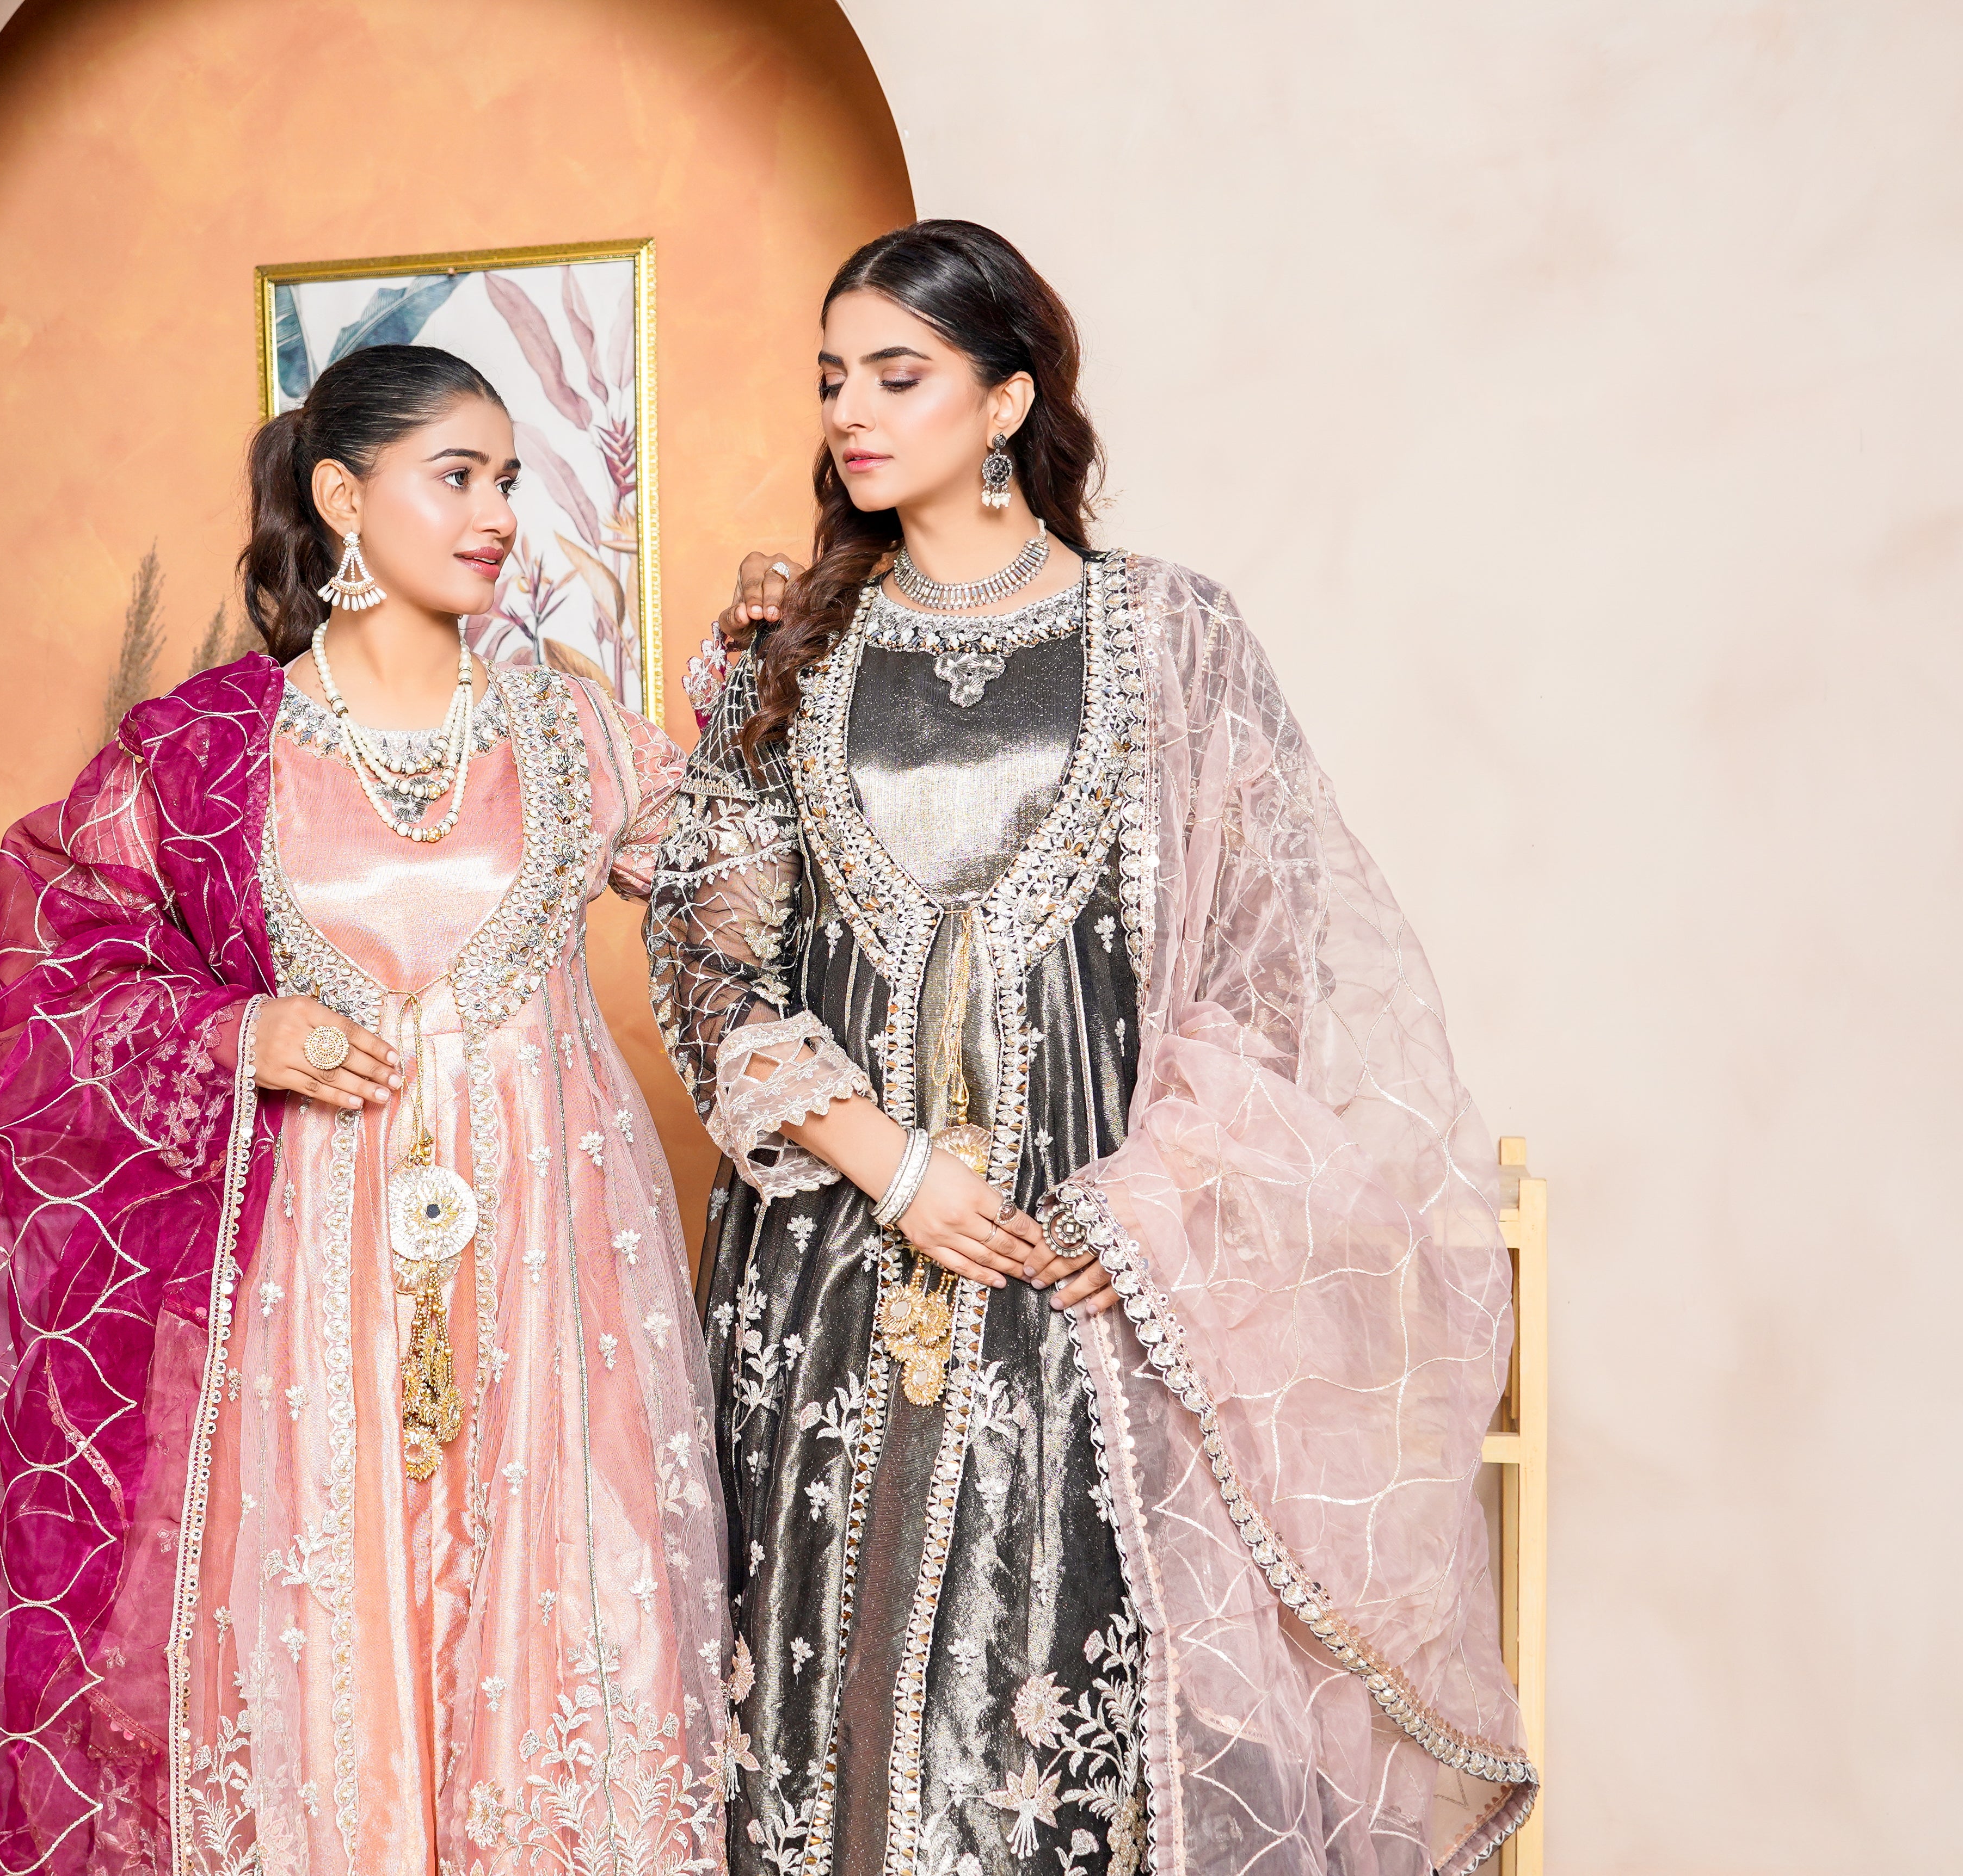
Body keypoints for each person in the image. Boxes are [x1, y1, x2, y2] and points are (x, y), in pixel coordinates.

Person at [648, 221, 1534, 1876]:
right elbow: (705, 951)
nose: (852, 412)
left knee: (1049, 1713)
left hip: (1079, 1273)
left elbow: (1264, 966)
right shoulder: (787, 652)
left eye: (898, 376)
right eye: (834, 381)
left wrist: (1138, 1212)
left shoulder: (1172, 638)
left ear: (1008, 401)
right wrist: (889, 1167)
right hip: (827, 1273)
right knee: (818, 1714)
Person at [0, 345, 732, 1876]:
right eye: (459, 477)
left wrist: (770, 676)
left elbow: (750, 884)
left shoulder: (571, 733)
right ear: (341, 496)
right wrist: (238, 1033)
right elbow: (55, 978)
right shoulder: (209, 752)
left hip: (550, 1268)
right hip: (312, 1270)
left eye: (509, 480)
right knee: (331, 1583)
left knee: (553, 1585)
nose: (498, 513)